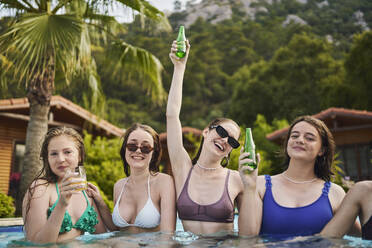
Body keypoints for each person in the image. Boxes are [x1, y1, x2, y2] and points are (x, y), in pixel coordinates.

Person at [167, 40, 245, 234]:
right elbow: (172, 115)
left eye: (232, 141)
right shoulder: (183, 169)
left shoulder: (236, 179)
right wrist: (179, 67)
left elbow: (249, 232)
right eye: (221, 132)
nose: (225, 140)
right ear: (206, 131)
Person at [238, 116, 361, 237]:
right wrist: (249, 187)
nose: (300, 140)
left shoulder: (335, 193)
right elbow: (247, 239)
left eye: (309, 138)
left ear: (322, 150)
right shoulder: (260, 185)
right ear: (287, 144)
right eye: (295, 136)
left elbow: (362, 237)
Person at [22, 127, 107, 243]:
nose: (61, 159)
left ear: (80, 156)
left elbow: (102, 238)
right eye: (54, 154)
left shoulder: (85, 193)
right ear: (47, 158)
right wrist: (62, 203)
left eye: (67, 152)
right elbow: (36, 244)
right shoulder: (40, 188)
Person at [108, 123, 176, 233]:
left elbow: (167, 236)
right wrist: (100, 203)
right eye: (132, 146)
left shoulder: (164, 182)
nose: (138, 151)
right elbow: (115, 231)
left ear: (153, 153)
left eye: (145, 148)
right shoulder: (119, 186)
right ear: (125, 149)